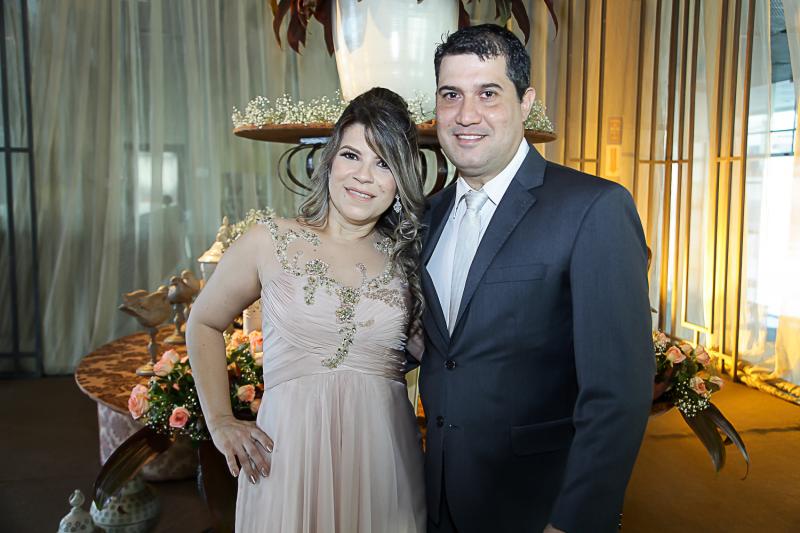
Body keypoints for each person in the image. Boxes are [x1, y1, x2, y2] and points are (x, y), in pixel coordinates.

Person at [420, 24, 655, 533]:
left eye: (488, 93)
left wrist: (572, 521)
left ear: (526, 103)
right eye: (451, 95)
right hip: (438, 499)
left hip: (536, 505)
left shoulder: (593, 208)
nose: (466, 115)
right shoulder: (428, 216)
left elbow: (619, 393)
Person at [187, 87, 427, 533]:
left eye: (384, 163)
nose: (364, 176)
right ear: (330, 160)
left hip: (382, 467)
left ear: (401, 181)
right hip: (289, 460)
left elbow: (441, 356)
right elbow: (203, 322)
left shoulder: (409, 263)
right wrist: (220, 420)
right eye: (352, 155)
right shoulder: (269, 241)